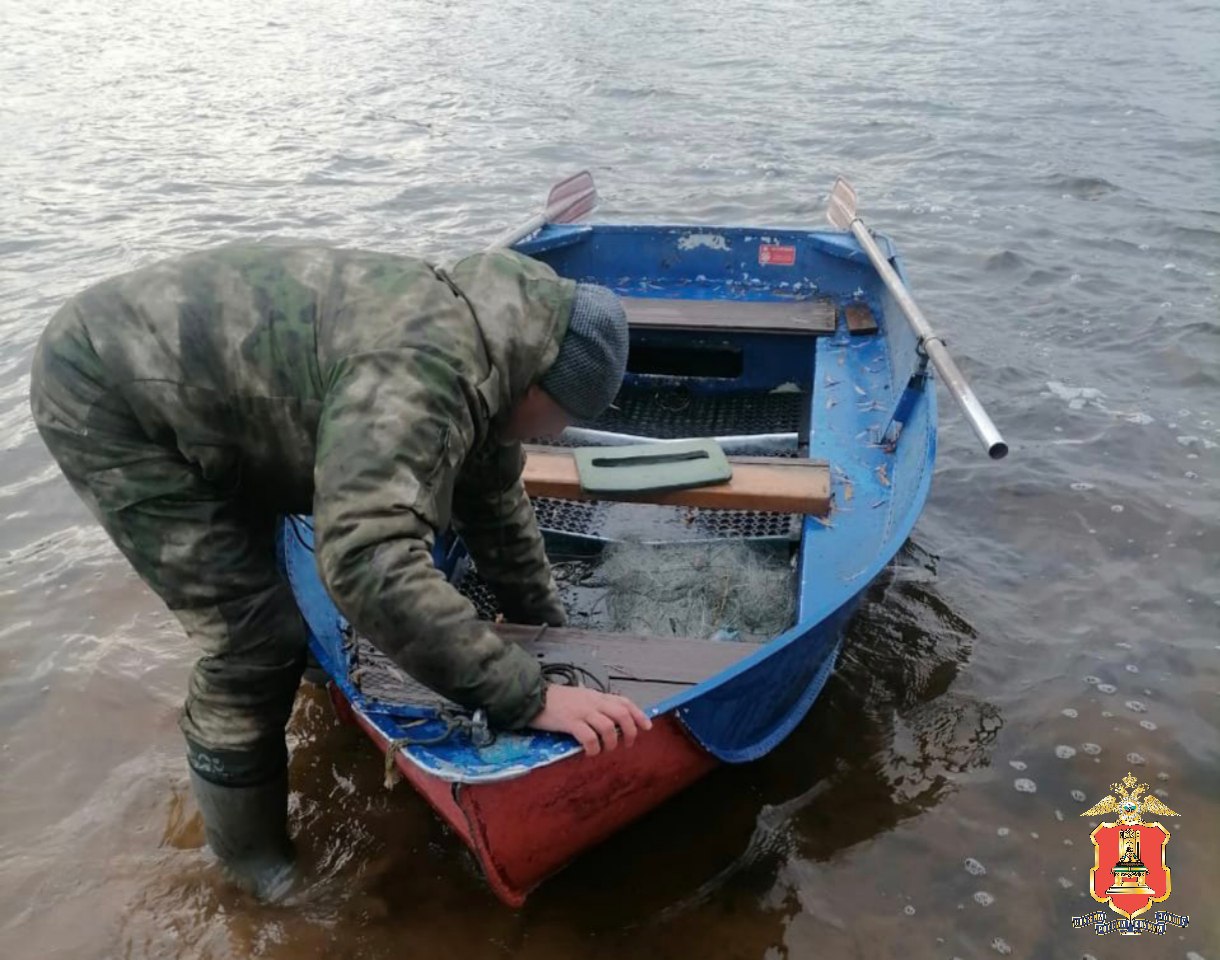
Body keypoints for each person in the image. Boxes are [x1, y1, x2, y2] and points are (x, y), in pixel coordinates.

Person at [28, 243, 651, 900]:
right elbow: (366, 561)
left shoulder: (493, 343)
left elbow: (496, 512)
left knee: (286, 598)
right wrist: (529, 696)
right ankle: (256, 871)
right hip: (109, 394)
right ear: (536, 386)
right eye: (559, 420)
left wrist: (550, 637)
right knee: (253, 638)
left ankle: (311, 688)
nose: (554, 435)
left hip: (227, 399)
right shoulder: (429, 371)